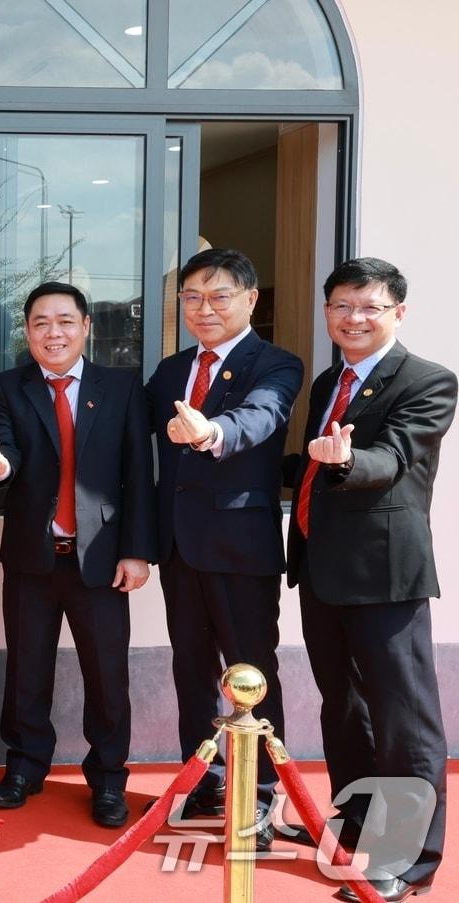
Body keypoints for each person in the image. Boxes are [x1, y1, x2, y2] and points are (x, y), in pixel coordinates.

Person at [285, 258, 453, 902]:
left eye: (369, 307)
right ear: (327, 312)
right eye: (341, 306)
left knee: (403, 719)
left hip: (385, 575)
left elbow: (397, 455)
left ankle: (408, 861)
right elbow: (311, 466)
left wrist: (349, 457)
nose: (352, 318)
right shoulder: (331, 378)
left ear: (398, 313)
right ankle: (355, 822)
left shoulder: (428, 379)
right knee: (344, 706)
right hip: (322, 568)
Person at [0, 282, 154, 826]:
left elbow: (137, 477)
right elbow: (2, 449)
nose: (52, 333)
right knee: (26, 669)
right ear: (26, 332)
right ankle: (26, 767)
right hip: (33, 557)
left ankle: (107, 779)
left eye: (64, 321)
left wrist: (138, 552)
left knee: (107, 674)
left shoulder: (121, 388)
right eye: (39, 323)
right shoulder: (7, 387)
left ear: (85, 328)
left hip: (100, 559)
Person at [144, 248, 302, 849]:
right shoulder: (170, 371)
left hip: (241, 548)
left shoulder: (277, 364)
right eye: (192, 298)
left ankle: (260, 799)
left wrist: (213, 431)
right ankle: (203, 779)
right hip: (180, 546)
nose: (204, 309)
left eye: (219, 296)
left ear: (250, 300)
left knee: (252, 675)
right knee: (191, 670)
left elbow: (261, 418)